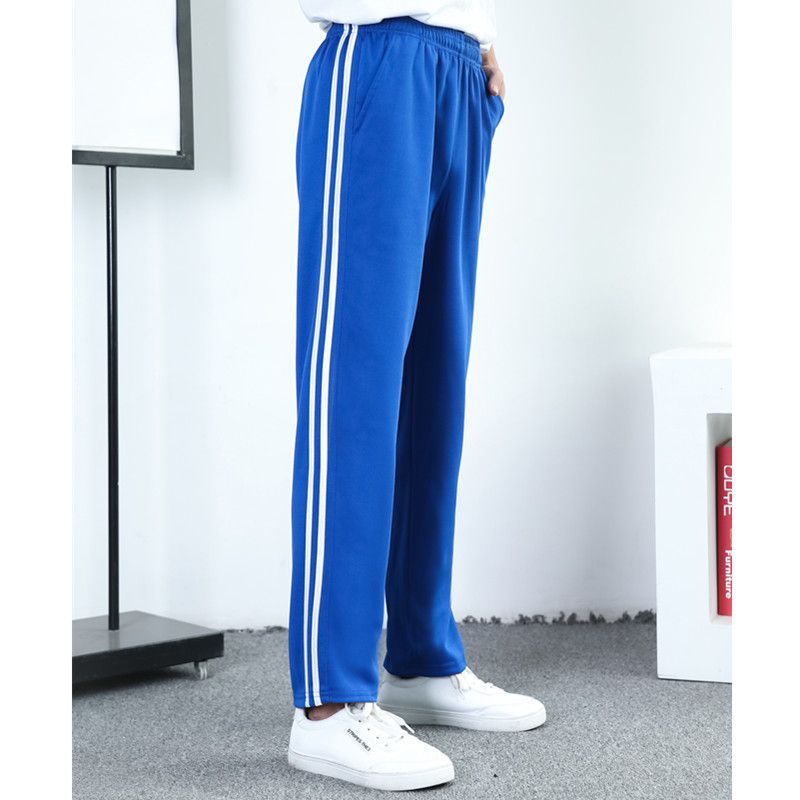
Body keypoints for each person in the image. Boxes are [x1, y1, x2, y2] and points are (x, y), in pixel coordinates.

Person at [288, 1, 545, 790]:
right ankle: (328, 702)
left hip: (457, 67)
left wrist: (479, 34)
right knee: (355, 388)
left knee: (435, 382)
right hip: (376, 53)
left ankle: (421, 658)